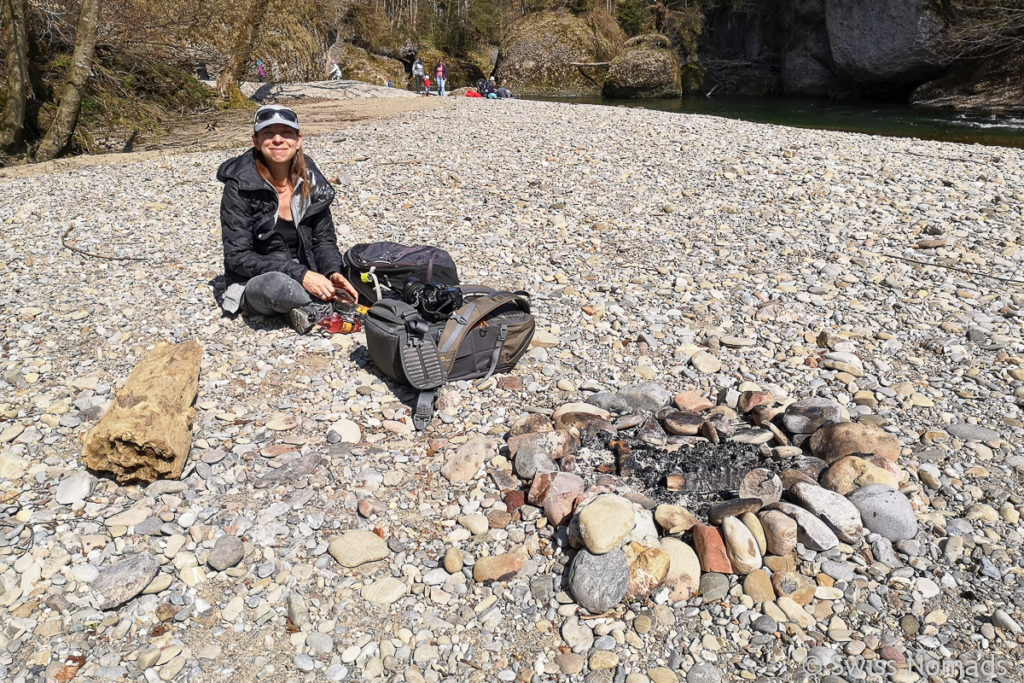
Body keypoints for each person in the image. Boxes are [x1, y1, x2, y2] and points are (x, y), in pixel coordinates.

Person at [217, 105, 358, 334]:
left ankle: (310, 305)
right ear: (256, 140)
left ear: (299, 140)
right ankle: (314, 305)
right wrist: (300, 274)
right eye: (268, 133)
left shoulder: (312, 180)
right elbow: (238, 257)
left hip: (308, 268)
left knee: (360, 264)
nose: (277, 140)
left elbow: (323, 240)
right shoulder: (239, 185)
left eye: (286, 133)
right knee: (278, 286)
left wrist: (332, 271)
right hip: (259, 278)